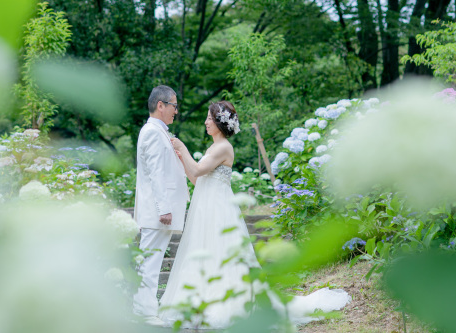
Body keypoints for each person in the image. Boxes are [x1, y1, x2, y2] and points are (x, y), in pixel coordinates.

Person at [160, 100, 350, 329]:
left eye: (209, 118)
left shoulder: (223, 147)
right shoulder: (212, 148)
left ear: (220, 122)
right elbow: (196, 179)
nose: (206, 122)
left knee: (222, 251)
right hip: (204, 207)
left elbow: (199, 169)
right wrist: (182, 160)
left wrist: (182, 148)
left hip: (218, 208)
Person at [132, 85, 189, 324]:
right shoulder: (153, 132)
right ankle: (144, 312)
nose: (176, 111)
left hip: (159, 210)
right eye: (174, 106)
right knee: (151, 260)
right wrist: (164, 208)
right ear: (161, 105)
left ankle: (143, 309)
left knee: (151, 259)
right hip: (157, 211)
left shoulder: (158, 131)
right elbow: (156, 173)